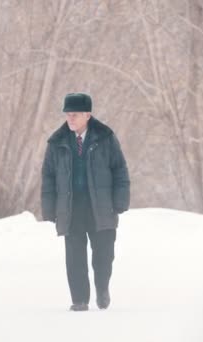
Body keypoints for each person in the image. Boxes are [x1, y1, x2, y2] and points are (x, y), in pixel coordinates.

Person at [41, 93, 130, 311]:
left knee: (104, 256)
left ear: (87, 115)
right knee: (74, 258)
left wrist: (120, 202)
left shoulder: (106, 138)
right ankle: (79, 300)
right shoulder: (56, 142)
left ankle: (102, 289)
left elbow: (120, 170)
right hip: (71, 209)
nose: (70, 118)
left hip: (101, 207)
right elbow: (48, 177)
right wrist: (49, 209)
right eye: (68, 114)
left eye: (75, 115)